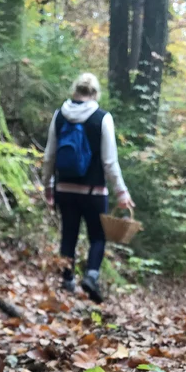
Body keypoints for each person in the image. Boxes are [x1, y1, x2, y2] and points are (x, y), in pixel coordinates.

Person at [43, 72, 133, 304]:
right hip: (94, 192)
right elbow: (109, 161)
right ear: (94, 94)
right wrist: (121, 192)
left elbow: (49, 157)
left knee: (69, 234)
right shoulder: (102, 117)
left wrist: (48, 186)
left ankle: (67, 280)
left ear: (75, 90)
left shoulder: (59, 116)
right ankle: (91, 276)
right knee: (98, 236)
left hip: (64, 188)